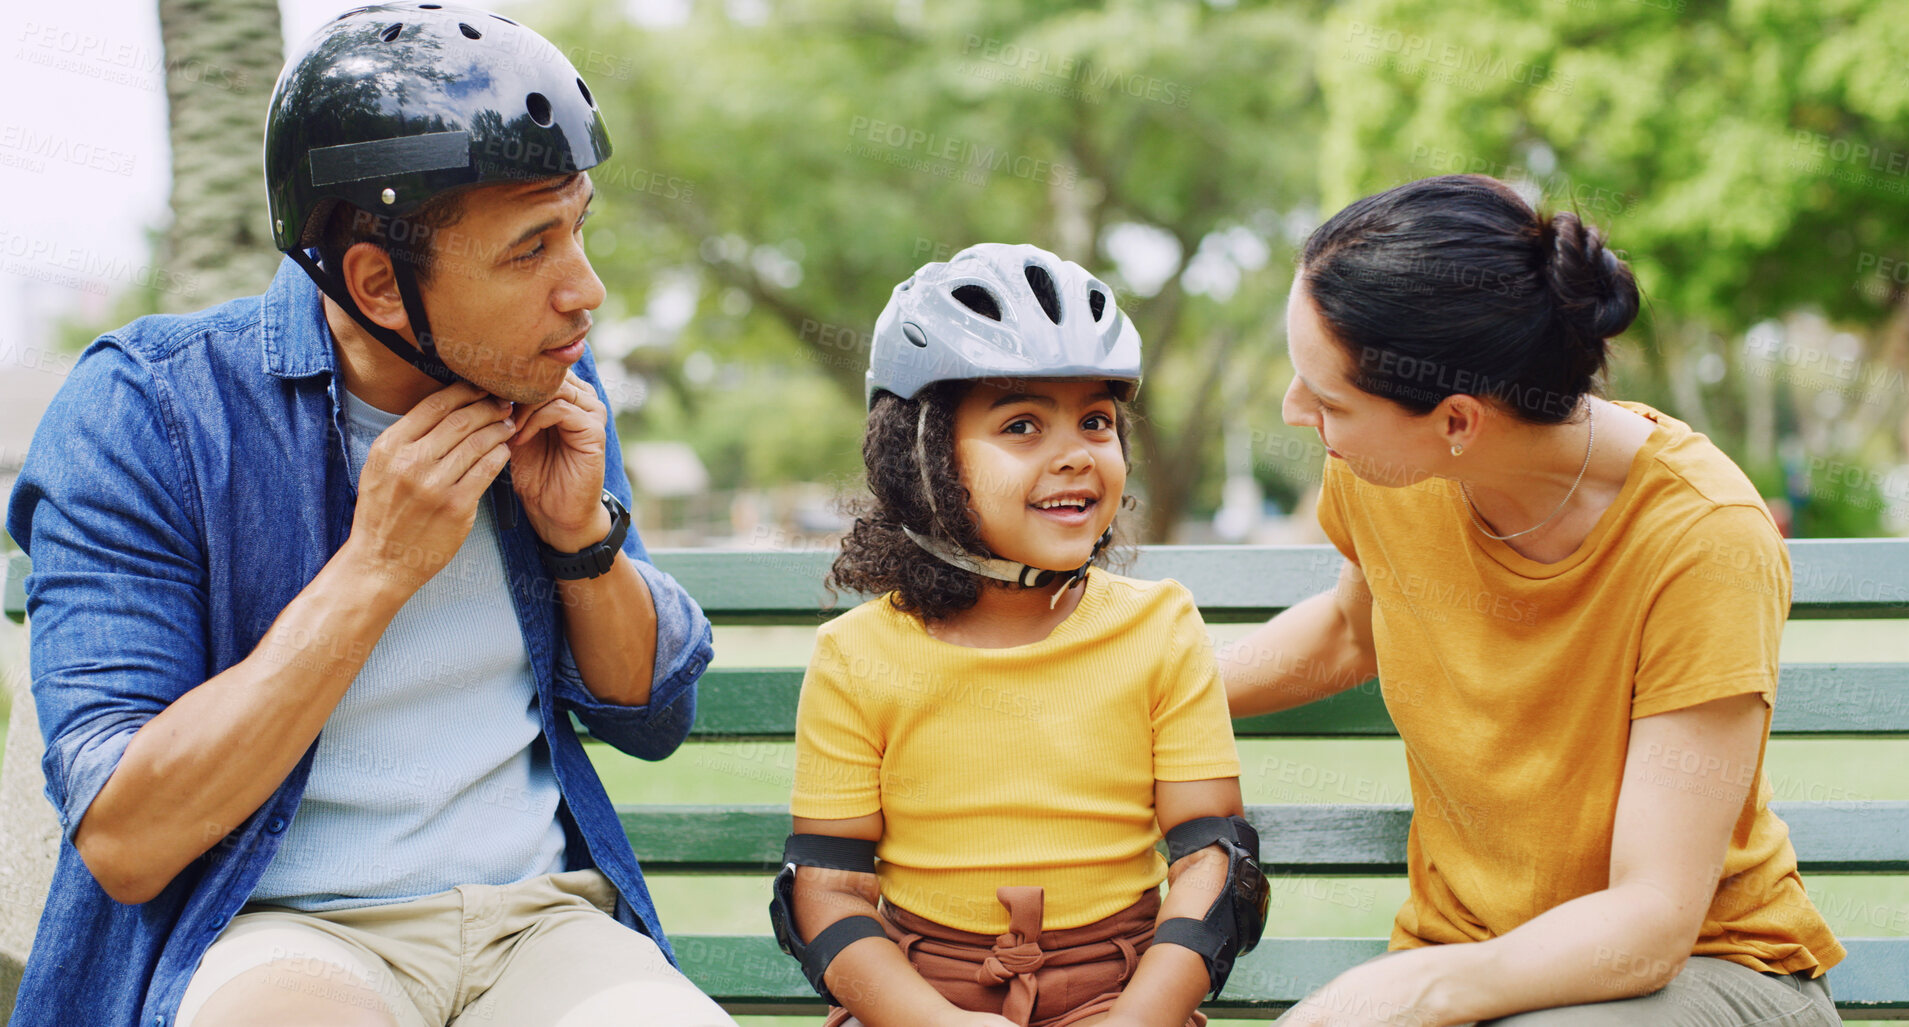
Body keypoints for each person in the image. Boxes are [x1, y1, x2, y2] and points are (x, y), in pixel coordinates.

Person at [3, 5, 736, 1025]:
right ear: (377, 284)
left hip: (538, 922)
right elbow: (129, 838)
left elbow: (650, 716)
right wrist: (376, 566)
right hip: (278, 928)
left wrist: (584, 544)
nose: (587, 291)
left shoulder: (546, 371)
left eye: (579, 228)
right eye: (532, 248)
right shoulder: (149, 411)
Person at [1222, 175, 1844, 1026]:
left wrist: (1418, 989)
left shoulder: (1702, 538)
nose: (1297, 413)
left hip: (1700, 974)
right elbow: (1345, 634)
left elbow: (1651, 921)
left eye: (1328, 399)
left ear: (1456, 421)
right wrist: (1139, 694)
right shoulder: (1386, 469)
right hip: (1476, 966)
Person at [769, 243, 1269, 1027]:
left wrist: (1137, 1017)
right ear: (923, 457)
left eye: (1096, 421)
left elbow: (1213, 859)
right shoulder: (856, 657)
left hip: (1121, 990)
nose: (1074, 454)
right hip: (919, 999)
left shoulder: (1159, 626)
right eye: (1023, 424)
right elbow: (827, 888)